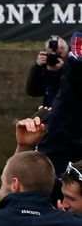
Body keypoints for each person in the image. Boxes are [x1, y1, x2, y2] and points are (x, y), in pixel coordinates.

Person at [16, 32, 82, 175]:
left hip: (71, 116)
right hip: (49, 118)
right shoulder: (44, 69)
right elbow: (32, 90)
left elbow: (69, 92)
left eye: (60, 51)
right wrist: (38, 67)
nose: (55, 54)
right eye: (51, 51)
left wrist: (63, 70)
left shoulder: (69, 72)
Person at [26, 35, 68, 107]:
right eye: (51, 53)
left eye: (58, 54)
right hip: (49, 109)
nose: (54, 57)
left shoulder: (72, 67)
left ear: (65, 52)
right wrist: (37, 67)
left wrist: (61, 70)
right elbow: (32, 92)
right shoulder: (42, 68)